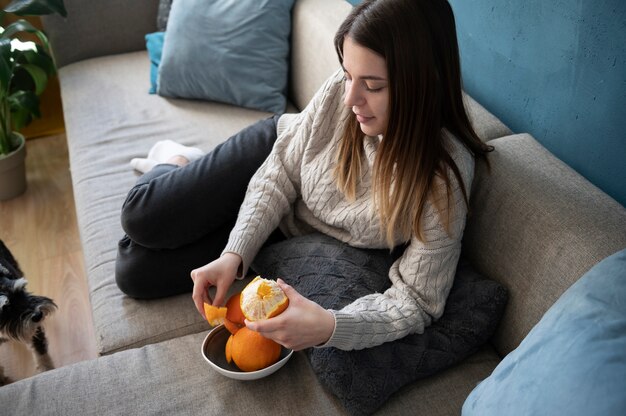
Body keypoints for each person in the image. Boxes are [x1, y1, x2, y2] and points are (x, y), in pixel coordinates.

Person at [115, 0, 492, 352]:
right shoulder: (339, 98)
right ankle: (177, 159)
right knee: (140, 215)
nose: (349, 99)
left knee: (135, 272)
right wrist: (235, 251)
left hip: (290, 230)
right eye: (347, 76)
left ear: (421, 85)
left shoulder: (442, 179)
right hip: (269, 157)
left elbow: (416, 301)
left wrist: (331, 326)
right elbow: (280, 172)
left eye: (373, 86)